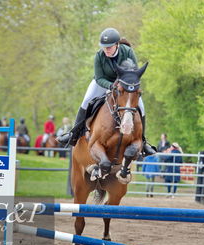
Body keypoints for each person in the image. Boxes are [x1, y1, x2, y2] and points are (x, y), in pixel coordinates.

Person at [56, 27, 155, 156]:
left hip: (124, 85)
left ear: (117, 44)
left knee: (141, 106)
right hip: (103, 83)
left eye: (109, 47)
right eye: (104, 46)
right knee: (86, 100)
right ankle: (74, 133)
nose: (106, 49)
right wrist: (111, 86)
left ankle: (143, 141)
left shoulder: (128, 51)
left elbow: (134, 74)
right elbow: (99, 78)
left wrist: (123, 86)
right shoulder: (99, 55)